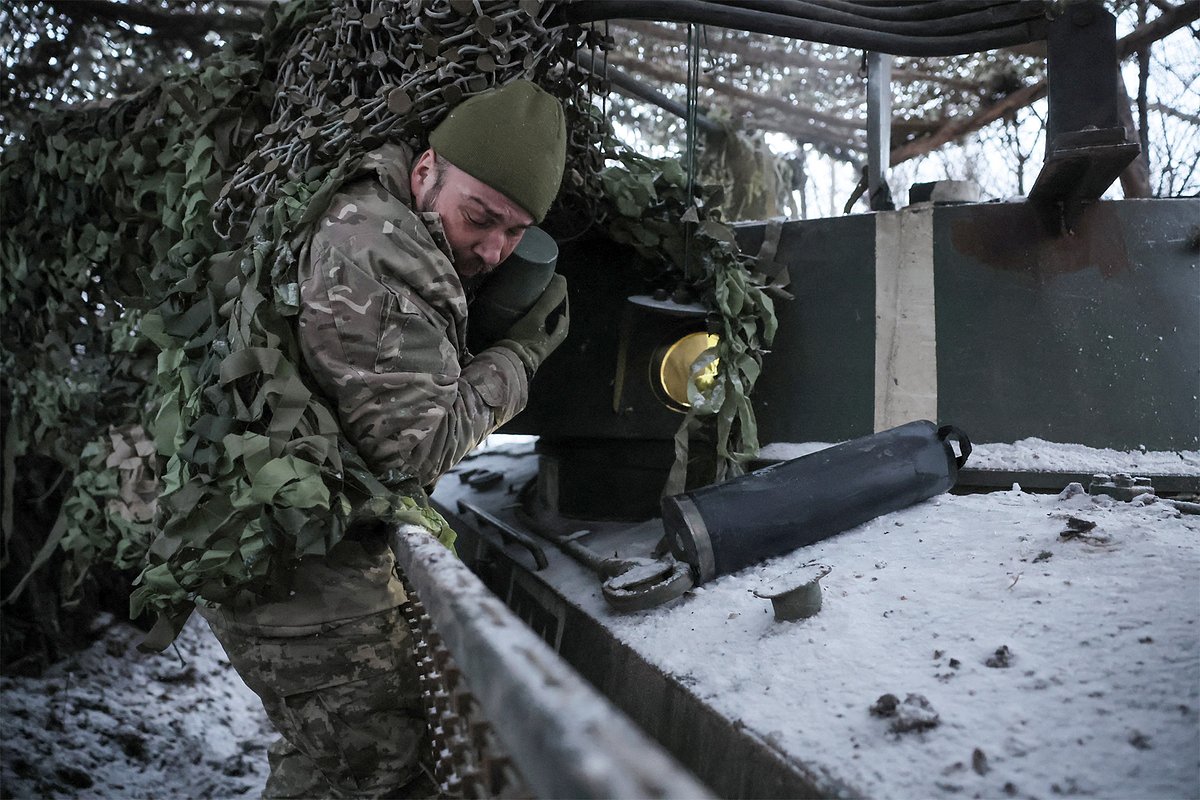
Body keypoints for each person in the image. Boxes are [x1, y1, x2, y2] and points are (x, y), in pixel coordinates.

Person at [199, 80, 569, 799]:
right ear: (426, 171)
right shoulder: (380, 247)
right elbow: (414, 450)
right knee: (384, 773)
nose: (494, 250)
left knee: (328, 772)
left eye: (515, 233)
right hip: (304, 580)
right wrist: (515, 362)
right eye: (480, 218)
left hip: (290, 558)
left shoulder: (387, 218)